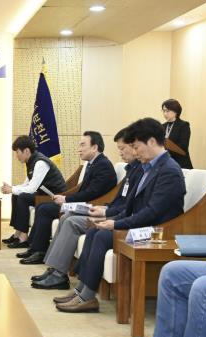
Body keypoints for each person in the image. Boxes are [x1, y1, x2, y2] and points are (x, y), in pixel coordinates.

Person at [56, 118, 186, 313]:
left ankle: (87, 297)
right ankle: (81, 290)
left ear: (151, 141)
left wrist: (116, 224)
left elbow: (152, 212)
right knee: (94, 231)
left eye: (136, 147)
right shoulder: (147, 167)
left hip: (157, 232)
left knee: (102, 236)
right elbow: (131, 207)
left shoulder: (169, 171)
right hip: (141, 224)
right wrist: (111, 220)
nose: (135, 152)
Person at [33, 129, 141, 289]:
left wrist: (105, 211)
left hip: (116, 216)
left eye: (123, 148)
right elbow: (118, 199)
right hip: (106, 209)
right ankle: (54, 269)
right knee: (66, 216)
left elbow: (96, 193)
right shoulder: (130, 170)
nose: (120, 153)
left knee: (70, 221)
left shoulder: (107, 166)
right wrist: (105, 208)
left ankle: (59, 275)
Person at [18, 131, 117, 265]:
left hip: (92, 206)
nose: (79, 149)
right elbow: (84, 190)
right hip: (84, 203)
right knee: (42, 207)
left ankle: (39, 251)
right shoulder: (93, 164)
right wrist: (64, 197)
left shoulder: (103, 165)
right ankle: (35, 248)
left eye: (82, 145)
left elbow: (92, 193)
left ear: (94, 147)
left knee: (45, 209)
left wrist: (66, 199)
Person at [1, 135, 67, 249]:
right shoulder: (31, 161)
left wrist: (12, 189)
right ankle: (17, 233)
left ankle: (23, 237)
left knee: (22, 197)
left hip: (54, 197)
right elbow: (26, 184)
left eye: (17, 152)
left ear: (26, 151)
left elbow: (31, 189)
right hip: (43, 194)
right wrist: (12, 188)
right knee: (16, 195)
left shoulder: (40, 163)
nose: (16, 156)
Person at [162, 98, 192, 169]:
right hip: (166, 163)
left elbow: (183, 146)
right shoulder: (162, 126)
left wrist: (167, 146)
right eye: (163, 111)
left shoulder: (183, 125)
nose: (165, 114)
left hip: (180, 163)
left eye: (167, 111)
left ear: (175, 111)